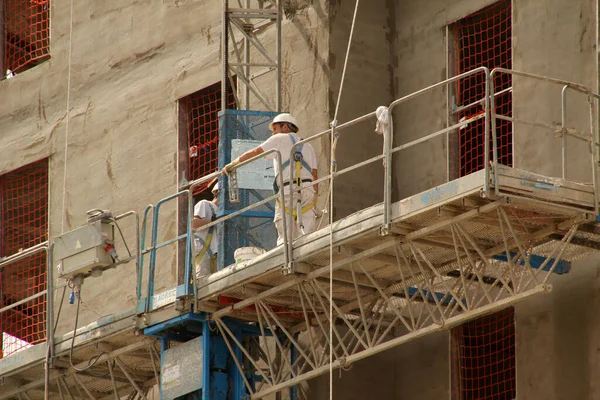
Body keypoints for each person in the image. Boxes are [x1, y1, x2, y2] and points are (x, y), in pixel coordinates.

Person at [222, 113, 318, 245]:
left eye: (275, 129)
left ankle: (287, 260)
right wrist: (315, 198)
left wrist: (234, 164)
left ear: (285, 127)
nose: (272, 134)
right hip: (308, 190)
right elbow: (314, 175)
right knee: (307, 234)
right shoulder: (308, 146)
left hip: (288, 190)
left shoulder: (278, 139)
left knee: (286, 237)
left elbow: (255, 152)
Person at [193, 179, 219, 278]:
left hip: (217, 254)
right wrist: (212, 221)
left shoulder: (223, 211)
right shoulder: (205, 204)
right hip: (205, 252)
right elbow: (194, 223)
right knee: (203, 284)